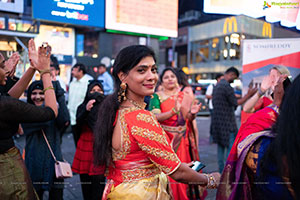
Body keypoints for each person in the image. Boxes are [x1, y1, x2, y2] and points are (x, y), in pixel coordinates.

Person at [93, 45, 220, 200]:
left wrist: (179, 165)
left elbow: (135, 159)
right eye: (141, 70)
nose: (152, 76)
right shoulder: (141, 118)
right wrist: (210, 180)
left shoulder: (116, 110)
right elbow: (178, 173)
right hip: (140, 193)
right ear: (122, 76)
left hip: (119, 190)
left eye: (153, 70)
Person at [216, 74, 298, 200]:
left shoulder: (273, 139)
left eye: (275, 79)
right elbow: (247, 108)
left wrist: (277, 103)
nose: (273, 82)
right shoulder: (265, 103)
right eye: (270, 77)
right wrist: (261, 91)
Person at [0, 40, 58, 199]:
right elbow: (52, 111)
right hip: (7, 170)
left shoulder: (5, 102)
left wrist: (33, 68)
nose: (7, 69)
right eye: (2, 65)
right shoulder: (6, 106)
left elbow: (9, 97)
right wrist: (45, 72)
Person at [149, 67, 206, 200]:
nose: (170, 79)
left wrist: (193, 114)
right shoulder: (156, 97)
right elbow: (154, 117)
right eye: (166, 77)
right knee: (168, 172)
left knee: (183, 171)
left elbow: (187, 118)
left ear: (176, 79)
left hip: (182, 141)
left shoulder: (183, 96)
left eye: (172, 76)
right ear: (161, 81)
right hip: (164, 140)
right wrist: (173, 111)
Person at [22, 80, 68, 200]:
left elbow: (65, 120)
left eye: (42, 93)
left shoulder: (55, 112)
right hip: (33, 165)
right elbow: (44, 119)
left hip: (54, 164)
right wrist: (52, 106)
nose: (37, 97)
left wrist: (59, 93)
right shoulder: (25, 113)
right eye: (34, 93)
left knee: (57, 196)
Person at [211, 67, 257, 173]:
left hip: (218, 123)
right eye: (234, 78)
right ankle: (228, 173)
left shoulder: (218, 85)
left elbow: (229, 100)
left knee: (221, 149)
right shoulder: (227, 86)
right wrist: (249, 95)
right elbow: (236, 103)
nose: (234, 80)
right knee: (230, 150)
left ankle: (221, 172)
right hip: (227, 123)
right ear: (231, 75)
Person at [72, 80, 106, 200]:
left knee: (99, 184)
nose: (96, 93)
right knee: (85, 183)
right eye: (93, 91)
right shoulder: (82, 106)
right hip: (85, 147)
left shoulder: (107, 108)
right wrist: (86, 111)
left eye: (99, 90)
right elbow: (77, 125)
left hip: (100, 148)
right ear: (87, 92)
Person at [68, 63, 93, 146]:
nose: (72, 72)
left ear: (81, 71)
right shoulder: (72, 82)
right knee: (76, 141)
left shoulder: (89, 81)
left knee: (85, 142)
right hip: (72, 116)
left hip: (84, 117)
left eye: (74, 70)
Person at [205, 73, 224, 143]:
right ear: (218, 79)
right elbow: (207, 95)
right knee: (213, 123)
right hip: (212, 107)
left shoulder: (223, 87)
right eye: (221, 79)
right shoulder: (212, 86)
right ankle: (212, 138)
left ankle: (217, 138)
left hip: (220, 108)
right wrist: (217, 96)